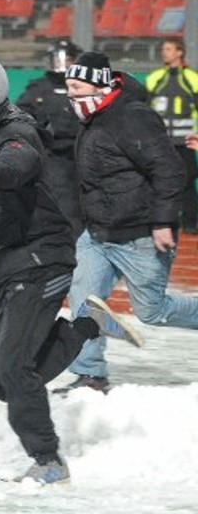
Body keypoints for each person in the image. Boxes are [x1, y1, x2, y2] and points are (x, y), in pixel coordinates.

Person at [0, 52, 144, 486]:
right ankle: (87, 325)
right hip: (3, 267)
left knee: (15, 368)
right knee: (3, 384)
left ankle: (48, 461)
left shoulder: (16, 132)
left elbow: (13, 168)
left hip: (40, 258)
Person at [56, 52, 197, 394]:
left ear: (98, 84)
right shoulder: (92, 116)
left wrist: (163, 221)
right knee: (84, 298)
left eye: (76, 86)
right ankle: (90, 375)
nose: (71, 94)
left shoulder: (131, 116)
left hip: (140, 235)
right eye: (68, 87)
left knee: (152, 311)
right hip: (98, 234)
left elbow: (168, 169)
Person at [16, 39, 84, 236]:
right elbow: (20, 115)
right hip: (53, 156)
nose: (62, 64)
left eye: (68, 59)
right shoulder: (38, 88)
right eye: (57, 59)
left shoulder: (84, 87)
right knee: (65, 203)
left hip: (84, 153)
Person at [144, 37, 198, 234]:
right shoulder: (154, 78)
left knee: (187, 182)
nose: (164, 52)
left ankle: (191, 222)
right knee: (157, 180)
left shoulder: (193, 78)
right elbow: (144, 110)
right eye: (163, 49)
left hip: (185, 142)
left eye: (168, 49)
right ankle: (159, 220)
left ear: (179, 52)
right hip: (161, 143)